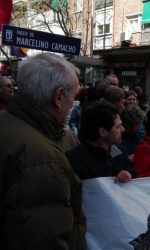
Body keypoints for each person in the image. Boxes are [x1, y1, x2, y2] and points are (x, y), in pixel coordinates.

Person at [0, 53, 85, 249]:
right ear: (59, 96)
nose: (73, 104)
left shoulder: (7, 122)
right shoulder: (43, 160)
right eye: (73, 97)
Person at [66, 100, 135, 181]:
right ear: (102, 132)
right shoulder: (74, 162)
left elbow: (131, 173)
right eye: (118, 127)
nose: (123, 129)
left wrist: (128, 174)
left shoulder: (119, 155)